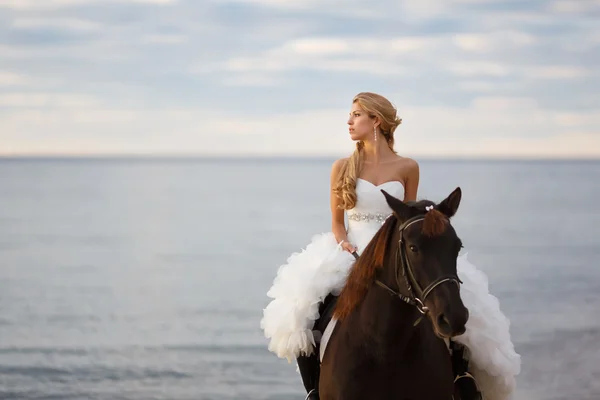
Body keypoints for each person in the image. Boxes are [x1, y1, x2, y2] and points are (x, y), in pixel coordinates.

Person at [260, 92, 521, 400]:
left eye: (356, 114)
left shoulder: (407, 166)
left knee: (453, 297)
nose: (349, 120)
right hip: (352, 248)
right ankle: (315, 389)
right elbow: (337, 222)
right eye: (350, 114)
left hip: (397, 248)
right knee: (306, 307)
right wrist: (343, 242)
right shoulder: (342, 167)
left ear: (376, 121)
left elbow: (409, 218)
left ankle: (460, 373)